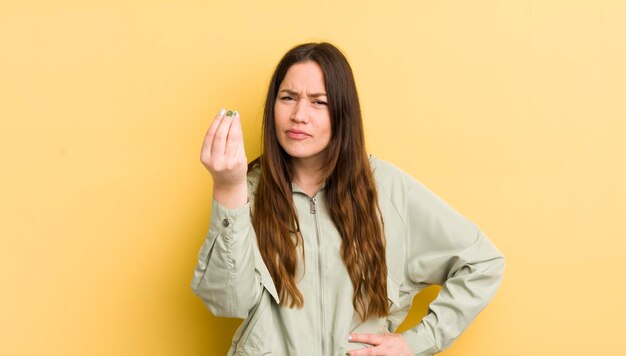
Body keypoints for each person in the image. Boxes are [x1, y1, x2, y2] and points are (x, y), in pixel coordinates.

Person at [191, 42, 505, 356]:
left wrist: (415, 342)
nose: (299, 115)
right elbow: (228, 301)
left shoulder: (386, 188)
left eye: (319, 102)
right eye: (288, 98)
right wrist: (228, 188)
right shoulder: (247, 190)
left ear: (343, 111)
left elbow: (482, 263)